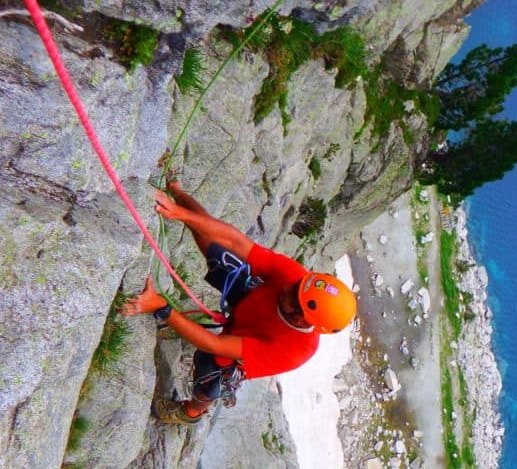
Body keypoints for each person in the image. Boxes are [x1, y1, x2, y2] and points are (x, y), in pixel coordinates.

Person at [122, 181, 357, 424]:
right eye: (298, 285)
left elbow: (214, 344)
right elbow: (234, 241)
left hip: (245, 338)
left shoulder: (292, 351)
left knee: (210, 368)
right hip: (251, 301)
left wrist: (162, 308)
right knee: (219, 253)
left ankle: (191, 412)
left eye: (293, 294)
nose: (288, 285)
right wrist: (179, 208)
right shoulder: (295, 277)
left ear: (299, 317)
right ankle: (180, 202)